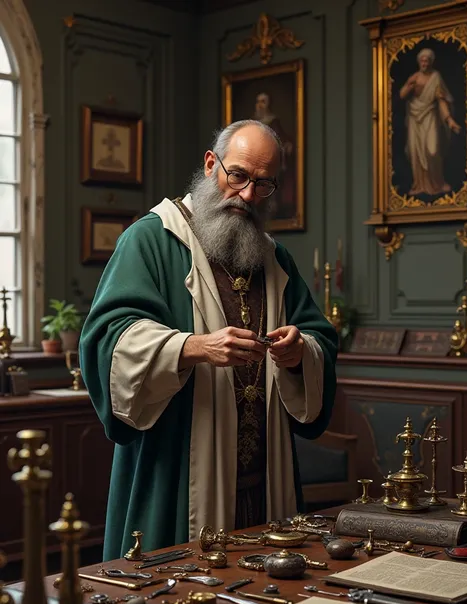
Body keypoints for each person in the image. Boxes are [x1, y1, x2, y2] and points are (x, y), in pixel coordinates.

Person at [80, 119, 338, 560]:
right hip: (178, 476)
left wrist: (299, 352)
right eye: (237, 175)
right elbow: (107, 339)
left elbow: (318, 337)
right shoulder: (151, 240)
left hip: (266, 480)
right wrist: (193, 347)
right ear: (209, 164)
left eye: (263, 184)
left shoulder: (274, 258)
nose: (247, 195)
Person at [400, 47, 461, 196]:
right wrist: (409, 86)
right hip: (415, 117)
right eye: (422, 60)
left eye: (427, 60)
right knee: (416, 152)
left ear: (431, 62)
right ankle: (419, 185)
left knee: (432, 151)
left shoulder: (436, 77)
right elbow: (402, 95)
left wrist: (449, 120)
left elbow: (441, 100)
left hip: (431, 116)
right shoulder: (414, 77)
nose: (424, 63)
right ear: (419, 62)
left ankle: (438, 183)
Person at [254, 93, 295, 218]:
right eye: (258, 102)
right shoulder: (252, 123)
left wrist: (287, 145)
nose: (260, 105)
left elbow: (281, 139)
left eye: (263, 102)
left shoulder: (273, 121)